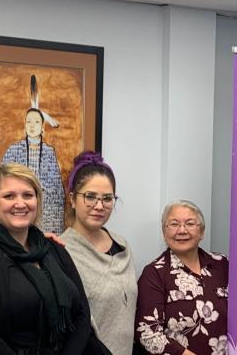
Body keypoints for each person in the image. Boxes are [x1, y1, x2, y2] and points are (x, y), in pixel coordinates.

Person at [0, 163, 101, 354]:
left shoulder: (54, 249)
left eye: (28, 195)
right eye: (9, 196)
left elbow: (82, 313)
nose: (21, 203)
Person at [60, 151, 137, 355]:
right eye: (90, 197)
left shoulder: (123, 247)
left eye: (107, 198)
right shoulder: (62, 251)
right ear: (72, 199)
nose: (99, 206)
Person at [135, 200, 228, 355]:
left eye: (190, 223)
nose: (182, 230)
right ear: (164, 232)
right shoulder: (154, 273)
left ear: (202, 231)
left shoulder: (223, 264)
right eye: (174, 224)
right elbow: (148, 335)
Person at [2, 107, 67, 234]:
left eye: (36, 122)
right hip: (17, 205)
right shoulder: (13, 150)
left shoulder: (48, 152)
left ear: (42, 127)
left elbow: (56, 188)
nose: (32, 125)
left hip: (44, 208)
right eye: (29, 121)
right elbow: (0, 181)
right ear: (24, 125)